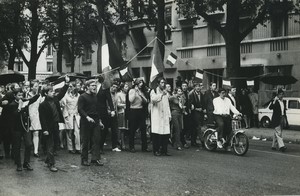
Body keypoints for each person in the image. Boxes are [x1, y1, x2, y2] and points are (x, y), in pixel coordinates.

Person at [39, 76, 69, 172]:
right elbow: (42, 119)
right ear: (46, 93)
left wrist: (67, 83)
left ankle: (48, 159)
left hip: (56, 125)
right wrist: (45, 130)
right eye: (51, 92)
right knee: (50, 145)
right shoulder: (43, 105)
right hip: (48, 127)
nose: (53, 93)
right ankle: (52, 164)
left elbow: (62, 93)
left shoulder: (55, 100)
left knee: (56, 144)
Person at [9, 89, 39, 171]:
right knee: (17, 146)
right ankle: (19, 164)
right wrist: (19, 107)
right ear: (15, 96)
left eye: (21, 95)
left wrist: (38, 92)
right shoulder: (12, 104)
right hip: (17, 128)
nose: (21, 97)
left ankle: (26, 162)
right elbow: (14, 116)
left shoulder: (25, 101)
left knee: (29, 144)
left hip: (25, 127)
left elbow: (33, 99)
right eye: (19, 95)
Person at [78, 80, 104, 166]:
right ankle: (84, 159)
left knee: (96, 140)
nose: (94, 87)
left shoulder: (96, 97)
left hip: (95, 121)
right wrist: (87, 117)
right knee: (85, 141)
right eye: (92, 85)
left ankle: (95, 159)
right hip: (86, 121)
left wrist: (99, 121)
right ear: (87, 86)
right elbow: (80, 109)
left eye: (95, 86)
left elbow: (97, 110)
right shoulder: (82, 97)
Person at [128, 78, 150, 153]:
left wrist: (140, 94)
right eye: (139, 82)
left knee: (143, 129)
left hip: (141, 110)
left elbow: (146, 101)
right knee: (132, 129)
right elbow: (131, 100)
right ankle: (131, 146)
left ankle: (144, 147)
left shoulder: (142, 92)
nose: (141, 84)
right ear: (136, 84)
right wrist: (135, 91)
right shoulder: (131, 91)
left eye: (142, 82)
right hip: (133, 110)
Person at [150, 78, 171, 156]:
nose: (163, 84)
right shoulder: (154, 91)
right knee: (157, 134)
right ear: (158, 84)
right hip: (157, 115)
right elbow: (153, 99)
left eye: (164, 83)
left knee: (165, 134)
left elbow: (167, 105)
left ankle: (164, 150)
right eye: (162, 82)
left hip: (164, 115)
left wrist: (169, 115)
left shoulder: (165, 93)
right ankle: (156, 150)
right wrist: (161, 95)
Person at [95, 75, 116, 153]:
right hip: (93, 111)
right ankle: (93, 147)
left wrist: (112, 110)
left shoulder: (105, 89)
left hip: (103, 111)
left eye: (95, 79)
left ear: (98, 80)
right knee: (94, 129)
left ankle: (100, 147)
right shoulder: (92, 88)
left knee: (103, 129)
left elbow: (109, 99)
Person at [62, 82, 81, 154]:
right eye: (69, 86)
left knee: (77, 132)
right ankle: (70, 148)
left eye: (71, 86)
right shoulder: (66, 95)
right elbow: (64, 105)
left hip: (76, 115)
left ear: (74, 87)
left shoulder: (78, 95)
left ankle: (78, 148)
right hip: (68, 114)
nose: (70, 88)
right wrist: (66, 115)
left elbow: (79, 105)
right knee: (69, 132)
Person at [27, 80, 44, 157]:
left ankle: (35, 150)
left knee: (36, 133)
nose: (37, 88)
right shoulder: (27, 94)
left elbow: (41, 104)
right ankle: (28, 147)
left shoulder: (39, 95)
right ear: (31, 87)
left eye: (38, 86)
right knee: (28, 133)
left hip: (36, 115)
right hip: (28, 116)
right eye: (35, 86)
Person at [188, 82, 205, 147]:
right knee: (197, 127)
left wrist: (203, 109)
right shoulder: (192, 94)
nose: (198, 88)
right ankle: (201, 141)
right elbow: (191, 104)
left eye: (199, 86)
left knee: (198, 127)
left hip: (201, 112)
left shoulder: (201, 94)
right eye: (196, 86)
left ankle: (194, 141)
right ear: (194, 87)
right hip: (194, 113)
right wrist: (196, 108)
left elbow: (203, 102)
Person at [115, 82, 129, 150]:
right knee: (120, 129)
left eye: (127, 87)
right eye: (126, 87)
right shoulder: (119, 94)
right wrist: (125, 105)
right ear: (122, 88)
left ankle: (123, 142)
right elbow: (118, 104)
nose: (127, 88)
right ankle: (120, 142)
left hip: (127, 112)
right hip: (121, 112)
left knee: (124, 129)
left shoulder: (127, 94)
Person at [181, 81, 190, 148]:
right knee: (182, 127)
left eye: (185, 86)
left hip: (187, 112)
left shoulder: (188, 93)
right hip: (182, 112)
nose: (184, 87)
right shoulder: (180, 93)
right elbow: (180, 103)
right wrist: (184, 111)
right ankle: (182, 142)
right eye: (183, 86)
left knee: (186, 127)